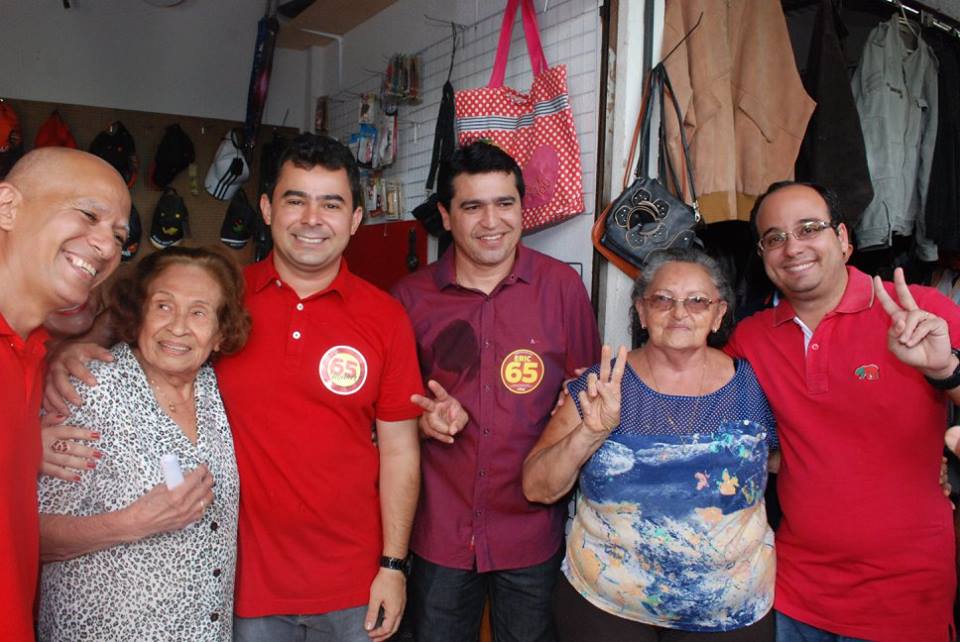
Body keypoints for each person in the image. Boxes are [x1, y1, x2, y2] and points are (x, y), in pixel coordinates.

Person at [44, 134, 423, 642]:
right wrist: (68, 351)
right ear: (266, 209)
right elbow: (147, 318)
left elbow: (399, 451)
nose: (312, 219)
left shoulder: (386, 317)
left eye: (331, 204)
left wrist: (394, 565)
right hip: (239, 589)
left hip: (353, 585)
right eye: (295, 200)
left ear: (355, 219)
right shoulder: (222, 298)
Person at [727, 181, 960, 642]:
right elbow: (696, 399)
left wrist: (945, 370)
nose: (793, 247)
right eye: (775, 237)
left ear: (843, 239)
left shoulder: (919, 311)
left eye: (808, 229)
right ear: (763, 254)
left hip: (906, 598)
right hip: (794, 592)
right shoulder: (752, 338)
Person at [390, 141, 600, 642]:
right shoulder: (408, 298)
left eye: (505, 203)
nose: (492, 221)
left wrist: (573, 405)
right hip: (439, 530)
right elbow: (384, 415)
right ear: (445, 216)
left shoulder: (561, 289)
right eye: (472, 206)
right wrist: (421, 420)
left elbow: (585, 392)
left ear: (522, 208)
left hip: (531, 531)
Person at [524, 248, 777, 641]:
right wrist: (589, 432)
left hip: (728, 615)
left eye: (697, 301)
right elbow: (537, 487)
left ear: (719, 314)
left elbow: (789, 464)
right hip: (606, 611)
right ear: (642, 312)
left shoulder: (753, 385)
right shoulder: (602, 384)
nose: (679, 313)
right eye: (663, 299)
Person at [37, 246, 248, 641]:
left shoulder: (214, 388)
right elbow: (27, 535)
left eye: (199, 313)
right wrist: (132, 523)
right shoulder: (89, 391)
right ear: (137, 316)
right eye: (163, 306)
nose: (179, 327)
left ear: (220, 334)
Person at [0, 147, 129, 640]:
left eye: (119, 236)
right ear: (7, 207)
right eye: (88, 215)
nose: (106, 245)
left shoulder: (34, 356)